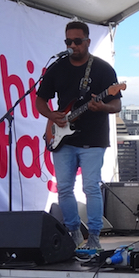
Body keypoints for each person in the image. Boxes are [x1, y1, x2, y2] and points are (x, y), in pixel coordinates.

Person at [36, 21, 122, 249]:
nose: (72, 45)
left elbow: (116, 105)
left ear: (88, 42)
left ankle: (94, 236)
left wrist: (102, 107)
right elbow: (40, 100)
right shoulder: (57, 67)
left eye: (77, 41)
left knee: (91, 187)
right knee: (64, 187)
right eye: (68, 42)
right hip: (63, 137)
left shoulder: (103, 69)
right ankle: (73, 232)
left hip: (93, 138)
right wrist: (53, 116)